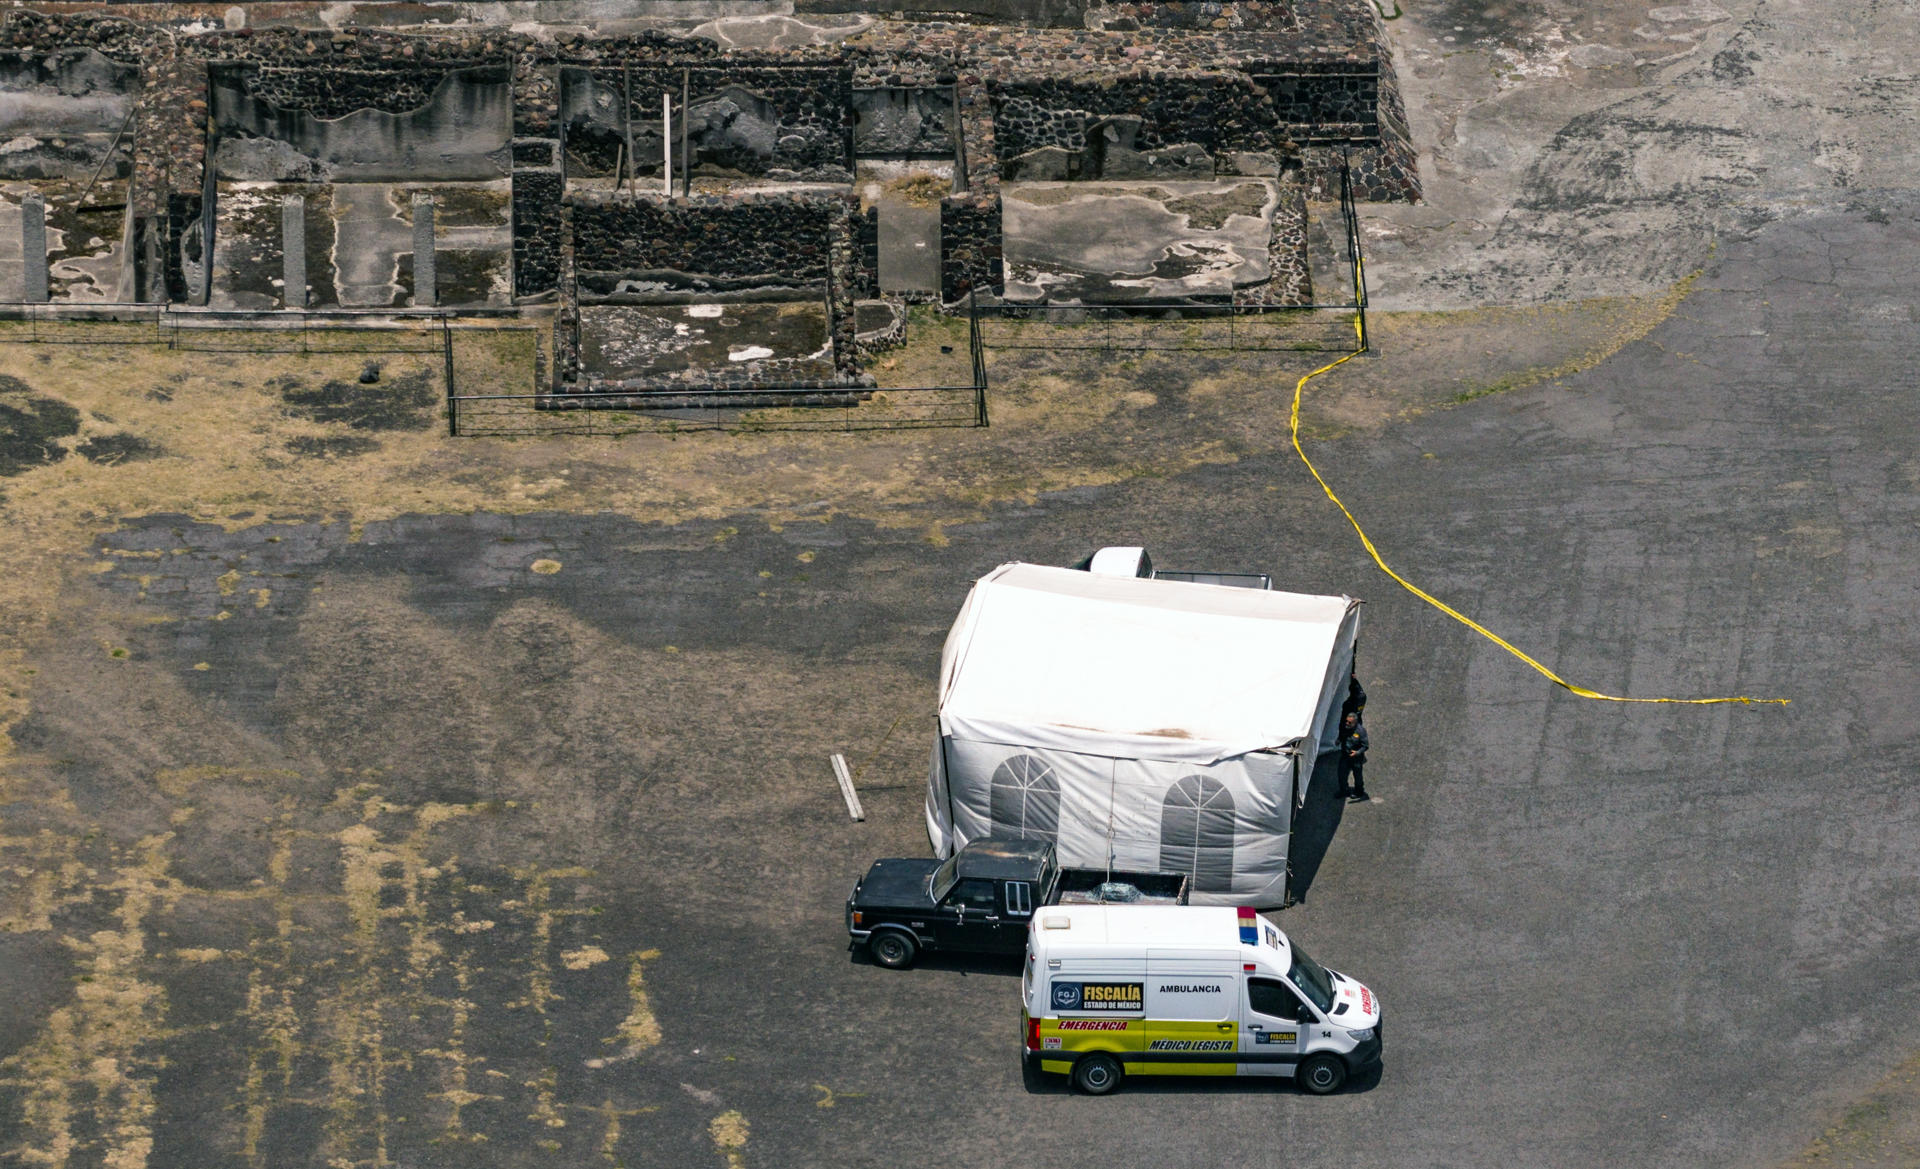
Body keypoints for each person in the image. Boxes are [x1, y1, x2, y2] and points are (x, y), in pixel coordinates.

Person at [1336, 710, 1370, 803]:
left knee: (1357, 776)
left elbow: (1365, 746)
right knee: (1341, 774)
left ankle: (1359, 791)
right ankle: (1344, 790)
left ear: (1355, 722)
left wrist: (1357, 752)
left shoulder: (1361, 731)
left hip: (1356, 758)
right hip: (1345, 755)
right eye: (1346, 721)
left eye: (1349, 722)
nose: (1347, 723)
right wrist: (1338, 740)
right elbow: (1341, 735)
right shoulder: (1345, 727)